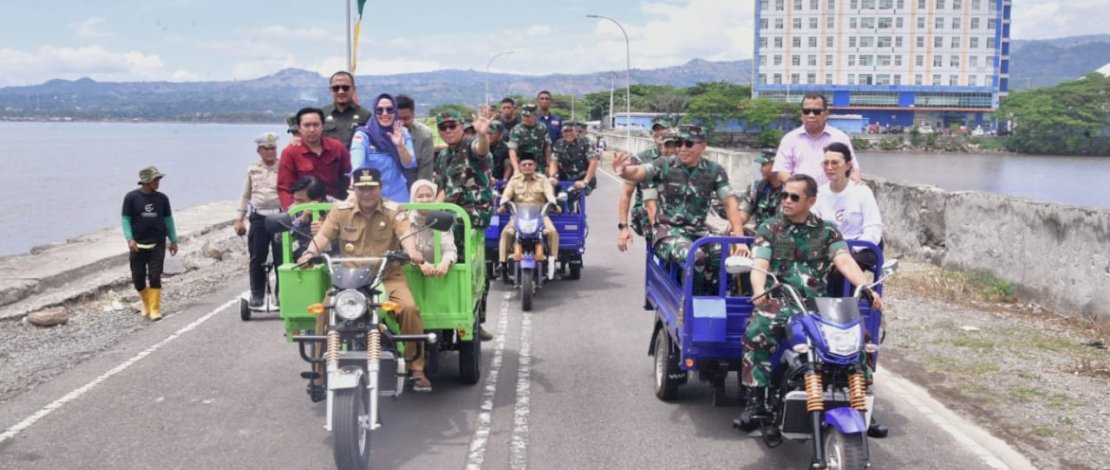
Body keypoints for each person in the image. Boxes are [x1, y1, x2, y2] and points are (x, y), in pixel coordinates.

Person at [734, 174, 884, 430]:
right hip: (779, 299)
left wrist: (867, 289)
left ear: (811, 200)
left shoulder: (827, 230)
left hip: (817, 304)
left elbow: (845, 260)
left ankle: (861, 404)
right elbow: (760, 263)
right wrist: (759, 291)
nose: (786, 201)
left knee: (861, 338)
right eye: (784, 195)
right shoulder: (769, 228)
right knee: (757, 331)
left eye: (794, 196)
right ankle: (756, 402)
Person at [297, 167, 432, 394]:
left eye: (371, 188)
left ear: (380, 188)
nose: (367, 193)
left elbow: (405, 234)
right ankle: (320, 370)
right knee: (325, 310)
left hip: (387, 276)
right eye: (361, 189)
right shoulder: (341, 211)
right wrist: (309, 253)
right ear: (354, 189)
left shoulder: (393, 211)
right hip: (350, 280)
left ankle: (416, 368)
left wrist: (412, 251)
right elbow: (323, 236)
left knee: (409, 309)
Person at [613, 126, 746, 292]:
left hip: (698, 231)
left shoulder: (714, 171)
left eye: (689, 144)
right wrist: (623, 170)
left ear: (703, 147)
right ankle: (691, 304)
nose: (682, 148)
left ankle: (714, 299)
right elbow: (639, 172)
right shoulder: (664, 165)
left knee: (723, 254)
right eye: (679, 143)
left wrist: (739, 240)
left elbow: (730, 203)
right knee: (695, 256)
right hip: (667, 232)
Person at [814, 142, 883, 297]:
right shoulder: (819, 194)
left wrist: (848, 249)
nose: (829, 167)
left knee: (841, 272)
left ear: (848, 165)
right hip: (831, 248)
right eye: (826, 163)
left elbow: (873, 229)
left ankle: (848, 309)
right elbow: (815, 228)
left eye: (835, 163)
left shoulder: (862, 192)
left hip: (861, 246)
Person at [121, 166, 179, 321]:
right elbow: (125, 220)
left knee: (155, 276)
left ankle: (155, 308)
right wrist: (129, 239)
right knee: (138, 278)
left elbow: (168, 220)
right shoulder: (131, 198)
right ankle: (146, 301)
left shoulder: (162, 199)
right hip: (137, 244)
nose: (158, 182)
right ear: (146, 181)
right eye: (156, 179)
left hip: (157, 243)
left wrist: (173, 240)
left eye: (159, 179)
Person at [235, 132, 284, 307]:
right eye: (266, 149)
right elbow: (245, 196)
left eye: (273, 148)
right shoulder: (252, 170)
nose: (271, 152)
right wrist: (239, 219)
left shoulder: (283, 167)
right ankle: (257, 294)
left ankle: (282, 294)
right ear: (259, 151)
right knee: (257, 257)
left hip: (279, 216)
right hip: (259, 217)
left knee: (282, 258)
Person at [772, 93, 861, 186]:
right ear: (801, 114)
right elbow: (782, 172)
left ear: (826, 114)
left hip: (833, 197)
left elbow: (853, 168)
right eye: (806, 111)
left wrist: (857, 185)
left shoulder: (840, 138)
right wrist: (801, 188)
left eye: (816, 111)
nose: (811, 115)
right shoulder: (789, 139)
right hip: (801, 198)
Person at [497, 152, 560, 274]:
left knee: (552, 232)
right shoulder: (514, 180)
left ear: (535, 166)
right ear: (520, 167)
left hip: (540, 214)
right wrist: (503, 204)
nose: (527, 166)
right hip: (518, 215)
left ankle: (552, 261)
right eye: (524, 164)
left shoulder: (542, 180)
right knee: (506, 233)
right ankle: (503, 263)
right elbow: (506, 195)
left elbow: (550, 195)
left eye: (530, 164)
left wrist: (554, 204)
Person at [277, 107, 352, 208]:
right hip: (305, 209)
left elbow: (348, 178)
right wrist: (293, 213)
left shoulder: (337, 148)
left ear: (322, 126)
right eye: (307, 125)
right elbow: (284, 188)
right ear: (299, 128)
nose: (312, 130)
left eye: (316, 125)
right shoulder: (290, 152)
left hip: (335, 208)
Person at [617, 127, 678, 251]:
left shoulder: (686, 162)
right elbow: (627, 194)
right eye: (656, 130)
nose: (659, 132)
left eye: (663, 129)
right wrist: (623, 227)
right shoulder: (642, 160)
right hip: (647, 212)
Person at [350, 93, 415, 202]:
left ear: (395, 111)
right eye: (379, 110)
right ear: (374, 112)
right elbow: (357, 162)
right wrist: (354, 179)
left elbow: (409, 164)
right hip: (370, 197)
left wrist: (400, 146)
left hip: (398, 195)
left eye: (389, 110)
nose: (385, 114)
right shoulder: (363, 135)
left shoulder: (402, 132)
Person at [407, 179, 457, 277]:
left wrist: (446, 262)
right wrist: (420, 263)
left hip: (438, 277)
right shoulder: (405, 221)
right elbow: (402, 252)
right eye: (420, 196)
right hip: (411, 277)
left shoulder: (441, 219)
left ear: (434, 198)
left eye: (429, 195)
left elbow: (449, 249)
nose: (425, 200)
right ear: (413, 199)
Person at [548, 121, 599, 212]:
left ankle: (569, 219)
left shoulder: (585, 142)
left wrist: (585, 181)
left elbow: (593, 162)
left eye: (570, 131)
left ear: (576, 131)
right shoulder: (559, 144)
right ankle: (566, 216)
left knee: (564, 196)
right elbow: (554, 162)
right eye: (565, 131)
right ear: (562, 133)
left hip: (584, 177)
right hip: (566, 178)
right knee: (551, 196)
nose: (568, 134)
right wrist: (552, 177)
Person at [736, 148, 785, 233]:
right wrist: (735, 226)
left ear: (776, 165)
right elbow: (743, 214)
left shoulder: (790, 190)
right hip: (760, 235)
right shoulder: (756, 188)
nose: (760, 169)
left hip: (782, 237)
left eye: (764, 165)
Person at [321, 71, 371, 148]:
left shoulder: (365, 115)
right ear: (331, 90)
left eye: (345, 87)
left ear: (354, 89)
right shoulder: (322, 114)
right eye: (336, 88)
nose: (341, 91)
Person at [288, 175, 331, 260]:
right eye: (295, 199)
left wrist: (327, 230)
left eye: (301, 201)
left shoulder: (334, 207)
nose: (296, 204)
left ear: (317, 200)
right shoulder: (294, 210)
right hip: (306, 254)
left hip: (335, 253)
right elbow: (278, 238)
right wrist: (301, 221)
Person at [396, 94, 436, 183]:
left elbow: (426, 169)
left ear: (413, 115)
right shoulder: (384, 134)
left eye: (406, 118)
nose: (402, 123)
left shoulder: (425, 135)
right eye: (398, 119)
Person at [508, 103, 552, 175]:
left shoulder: (542, 128)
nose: (525, 118)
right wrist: (516, 169)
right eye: (524, 116)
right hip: (523, 165)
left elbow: (547, 146)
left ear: (535, 116)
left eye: (528, 116)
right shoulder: (516, 130)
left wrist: (548, 165)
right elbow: (512, 150)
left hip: (539, 165)